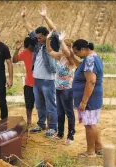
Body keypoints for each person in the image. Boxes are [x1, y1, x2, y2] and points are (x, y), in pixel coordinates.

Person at [21, 5, 59, 136]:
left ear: (46, 36)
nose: (37, 39)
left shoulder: (52, 43)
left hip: (48, 80)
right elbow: (30, 30)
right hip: (37, 80)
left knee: (51, 105)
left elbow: (54, 30)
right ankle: (41, 124)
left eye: (39, 37)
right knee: (39, 105)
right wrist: (24, 18)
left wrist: (45, 16)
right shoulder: (38, 43)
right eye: (36, 37)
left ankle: (53, 127)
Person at [71, 39, 103, 157]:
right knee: (92, 123)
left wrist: (84, 102)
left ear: (83, 49)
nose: (76, 55)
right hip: (92, 97)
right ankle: (99, 147)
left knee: (89, 125)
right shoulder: (92, 57)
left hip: (90, 98)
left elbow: (91, 81)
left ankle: (90, 152)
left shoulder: (89, 59)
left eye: (76, 53)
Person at [46, 31, 76, 145]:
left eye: (68, 46)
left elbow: (68, 53)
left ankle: (71, 136)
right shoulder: (60, 56)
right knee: (60, 112)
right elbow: (49, 51)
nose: (65, 48)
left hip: (67, 89)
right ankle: (60, 134)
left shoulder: (71, 59)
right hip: (58, 88)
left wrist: (61, 41)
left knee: (69, 113)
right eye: (65, 46)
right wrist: (48, 39)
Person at [12, 37, 35, 127]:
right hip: (29, 83)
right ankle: (29, 121)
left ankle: (44, 123)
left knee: (43, 105)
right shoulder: (26, 52)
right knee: (29, 104)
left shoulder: (40, 52)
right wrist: (17, 50)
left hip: (40, 83)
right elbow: (14, 60)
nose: (27, 48)